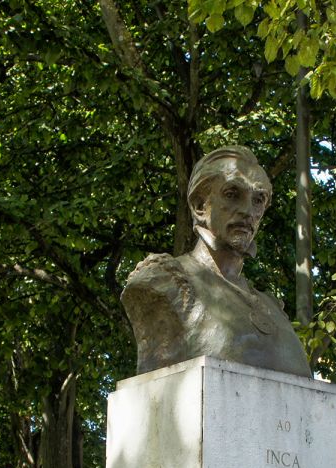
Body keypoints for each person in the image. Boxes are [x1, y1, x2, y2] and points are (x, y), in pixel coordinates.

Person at [121, 146, 311, 377]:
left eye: (258, 200)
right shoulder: (163, 282)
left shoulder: (272, 307)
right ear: (200, 205)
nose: (247, 211)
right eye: (232, 194)